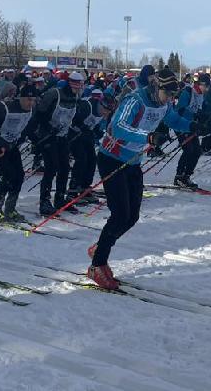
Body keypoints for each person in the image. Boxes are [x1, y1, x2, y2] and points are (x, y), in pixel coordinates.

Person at [88, 66, 192, 291]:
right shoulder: (135, 100)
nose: (170, 98)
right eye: (168, 93)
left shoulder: (163, 103)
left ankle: (101, 247)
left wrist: (192, 125)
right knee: (119, 215)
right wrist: (149, 137)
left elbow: (173, 119)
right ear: (157, 87)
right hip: (112, 158)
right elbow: (118, 127)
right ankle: (97, 264)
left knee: (132, 217)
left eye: (173, 95)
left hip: (133, 161)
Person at [0, 83, 39, 222]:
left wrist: (37, 142)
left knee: (19, 176)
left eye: (33, 100)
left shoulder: (31, 111)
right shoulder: (5, 107)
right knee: (9, 175)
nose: (31, 103)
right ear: (21, 97)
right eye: (28, 99)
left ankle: (10, 209)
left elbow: (27, 129)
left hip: (12, 146)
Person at [33, 71, 83, 216]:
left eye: (80, 86)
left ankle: (60, 198)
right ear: (70, 84)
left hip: (62, 136)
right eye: (76, 85)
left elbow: (72, 117)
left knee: (65, 168)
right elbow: (39, 114)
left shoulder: (75, 97)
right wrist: (49, 127)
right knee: (51, 167)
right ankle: (44, 201)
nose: (78, 89)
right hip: (47, 136)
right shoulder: (55, 94)